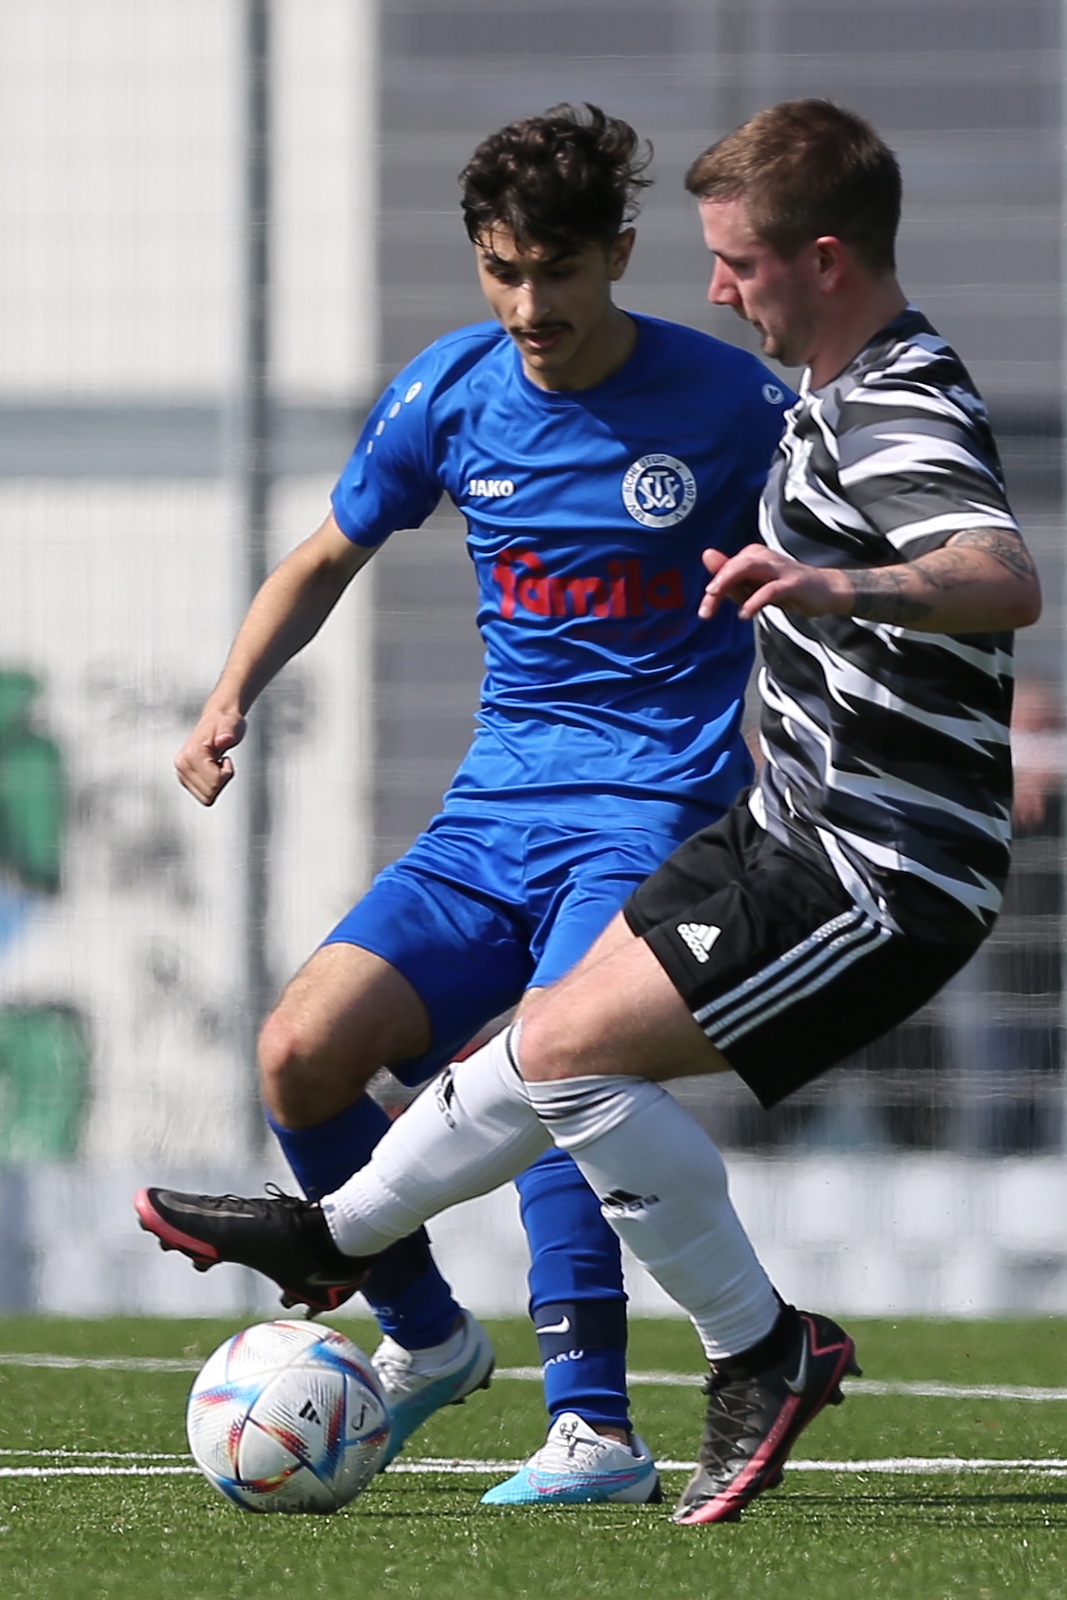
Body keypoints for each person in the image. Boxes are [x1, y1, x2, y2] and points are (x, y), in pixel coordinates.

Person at [142, 98, 1040, 1525]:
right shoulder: (477, 392)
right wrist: (228, 694)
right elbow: (327, 551)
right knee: (333, 1053)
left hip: (760, 836)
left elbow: (988, 567)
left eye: (559, 269)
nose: (530, 301)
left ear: (609, 256)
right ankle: (386, 1289)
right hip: (540, 819)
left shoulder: (802, 403)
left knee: (565, 1066)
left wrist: (846, 595)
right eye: (502, 269)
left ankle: (624, 1401)